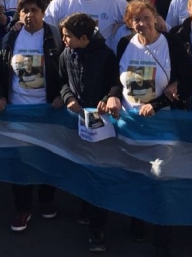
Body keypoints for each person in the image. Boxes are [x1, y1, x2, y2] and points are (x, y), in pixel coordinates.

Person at [114, 0, 192, 251]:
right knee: (137, 175)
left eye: (146, 18)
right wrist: (113, 95)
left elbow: (187, 79)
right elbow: (115, 78)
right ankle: (138, 221)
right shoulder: (125, 44)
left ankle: (163, 233)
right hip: (132, 125)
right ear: (129, 22)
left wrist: (163, 99)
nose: (142, 23)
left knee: (162, 177)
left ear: (156, 18)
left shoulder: (170, 43)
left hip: (163, 124)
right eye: (136, 19)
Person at [0, 0, 62, 232]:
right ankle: (23, 208)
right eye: (25, 10)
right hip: (17, 111)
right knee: (21, 162)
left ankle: (47, 199)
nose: (29, 15)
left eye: (34, 10)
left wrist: (62, 95)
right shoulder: (11, 37)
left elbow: (67, 68)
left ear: (43, 12)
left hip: (48, 111)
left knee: (48, 157)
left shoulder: (55, 36)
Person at [58, 13, 121, 253]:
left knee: (98, 172)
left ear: (83, 38)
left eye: (67, 36)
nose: (64, 40)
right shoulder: (66, 54)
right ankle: (85, 208)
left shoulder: (106, 55)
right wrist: (68, 97)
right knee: (82, 167)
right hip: (78, 124)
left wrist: (108, 98)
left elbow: (115, 83)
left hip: (101, 125)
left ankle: (98, 226)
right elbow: (62, 81)